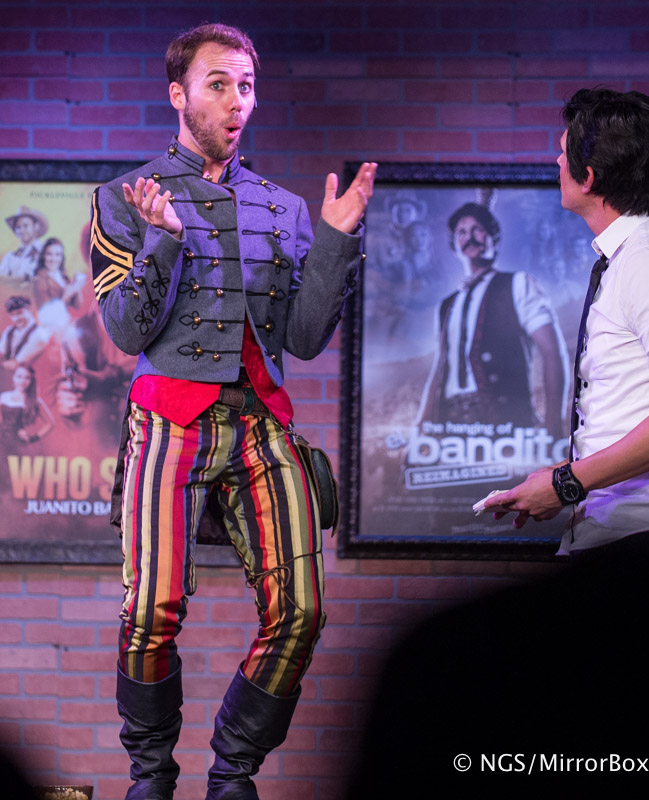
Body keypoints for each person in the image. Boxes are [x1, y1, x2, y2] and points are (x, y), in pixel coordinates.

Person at [88, 22, 376, 800]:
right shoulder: (127, 197)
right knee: (150, 609)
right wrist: (162, 241)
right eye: (218, 84)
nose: (236, 101)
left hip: (260, 420)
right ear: (178, 95)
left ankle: (233, 771)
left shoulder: (283, 207)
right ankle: (150, 774)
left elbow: (304, 340)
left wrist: (334, 241)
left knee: (302, 610)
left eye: (246, 86)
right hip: (169, 418)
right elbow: (124, 334)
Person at [482, 88, 649, 561]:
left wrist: (565, 484)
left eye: (563, 153)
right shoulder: (633, 256)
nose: (556, 162)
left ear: (589, 177)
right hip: (633, 536)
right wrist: (563, 476)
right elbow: (635, 407)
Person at [417, 201, 568, 435]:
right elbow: (439, 369)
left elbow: (552, 352)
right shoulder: (447, 305)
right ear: (454, 246)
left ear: (494, 239)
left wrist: (553, 427)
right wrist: (420, 428)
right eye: (461, 232)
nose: (469, 237)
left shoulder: (518, 284)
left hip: (506, 423)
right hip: (450, 426)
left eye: (477, 229)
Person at [0, 363, 54, 447]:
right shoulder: (4, 396)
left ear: (31, 381)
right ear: (13, 377)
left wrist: (33, 438)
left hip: (17, 444)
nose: (22, 381)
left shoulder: (35, 401)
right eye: (19, 376)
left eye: (27, 378)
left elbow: (50, 423)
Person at [30, 237, 86, 311]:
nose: (53, 259)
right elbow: (46, 313)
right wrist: (66, 295)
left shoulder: (64, 278)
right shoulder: (38, 281)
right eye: (49, 254)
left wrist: (77, 285)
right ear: (43, 256)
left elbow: (77, 306)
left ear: (62, 257)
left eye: (58, 255)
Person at [0, 295, 49, 375]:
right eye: (12, 315)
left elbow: (15, 364)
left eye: (20, 313)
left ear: (30, 310)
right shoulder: (9, 331)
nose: (16, 319)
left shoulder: (39, 334)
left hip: (30, 379)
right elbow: (1, 353)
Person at [0, 205, 48, 280]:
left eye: (25, 226)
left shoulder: (47, 253)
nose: (21, 231)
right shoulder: (10, 257)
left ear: (36, 226)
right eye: (18, 227)